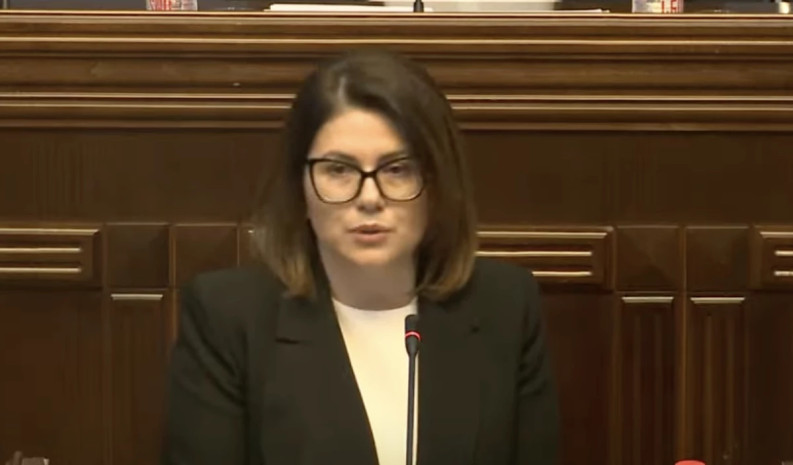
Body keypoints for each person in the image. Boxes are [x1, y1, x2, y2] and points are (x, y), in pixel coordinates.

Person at [162, 49, 560, 465]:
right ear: (300, 185)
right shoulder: (228, 319)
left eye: (397, 169)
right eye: (339, 170)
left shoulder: (505, 307)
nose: (369, 197)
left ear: (437, 182)